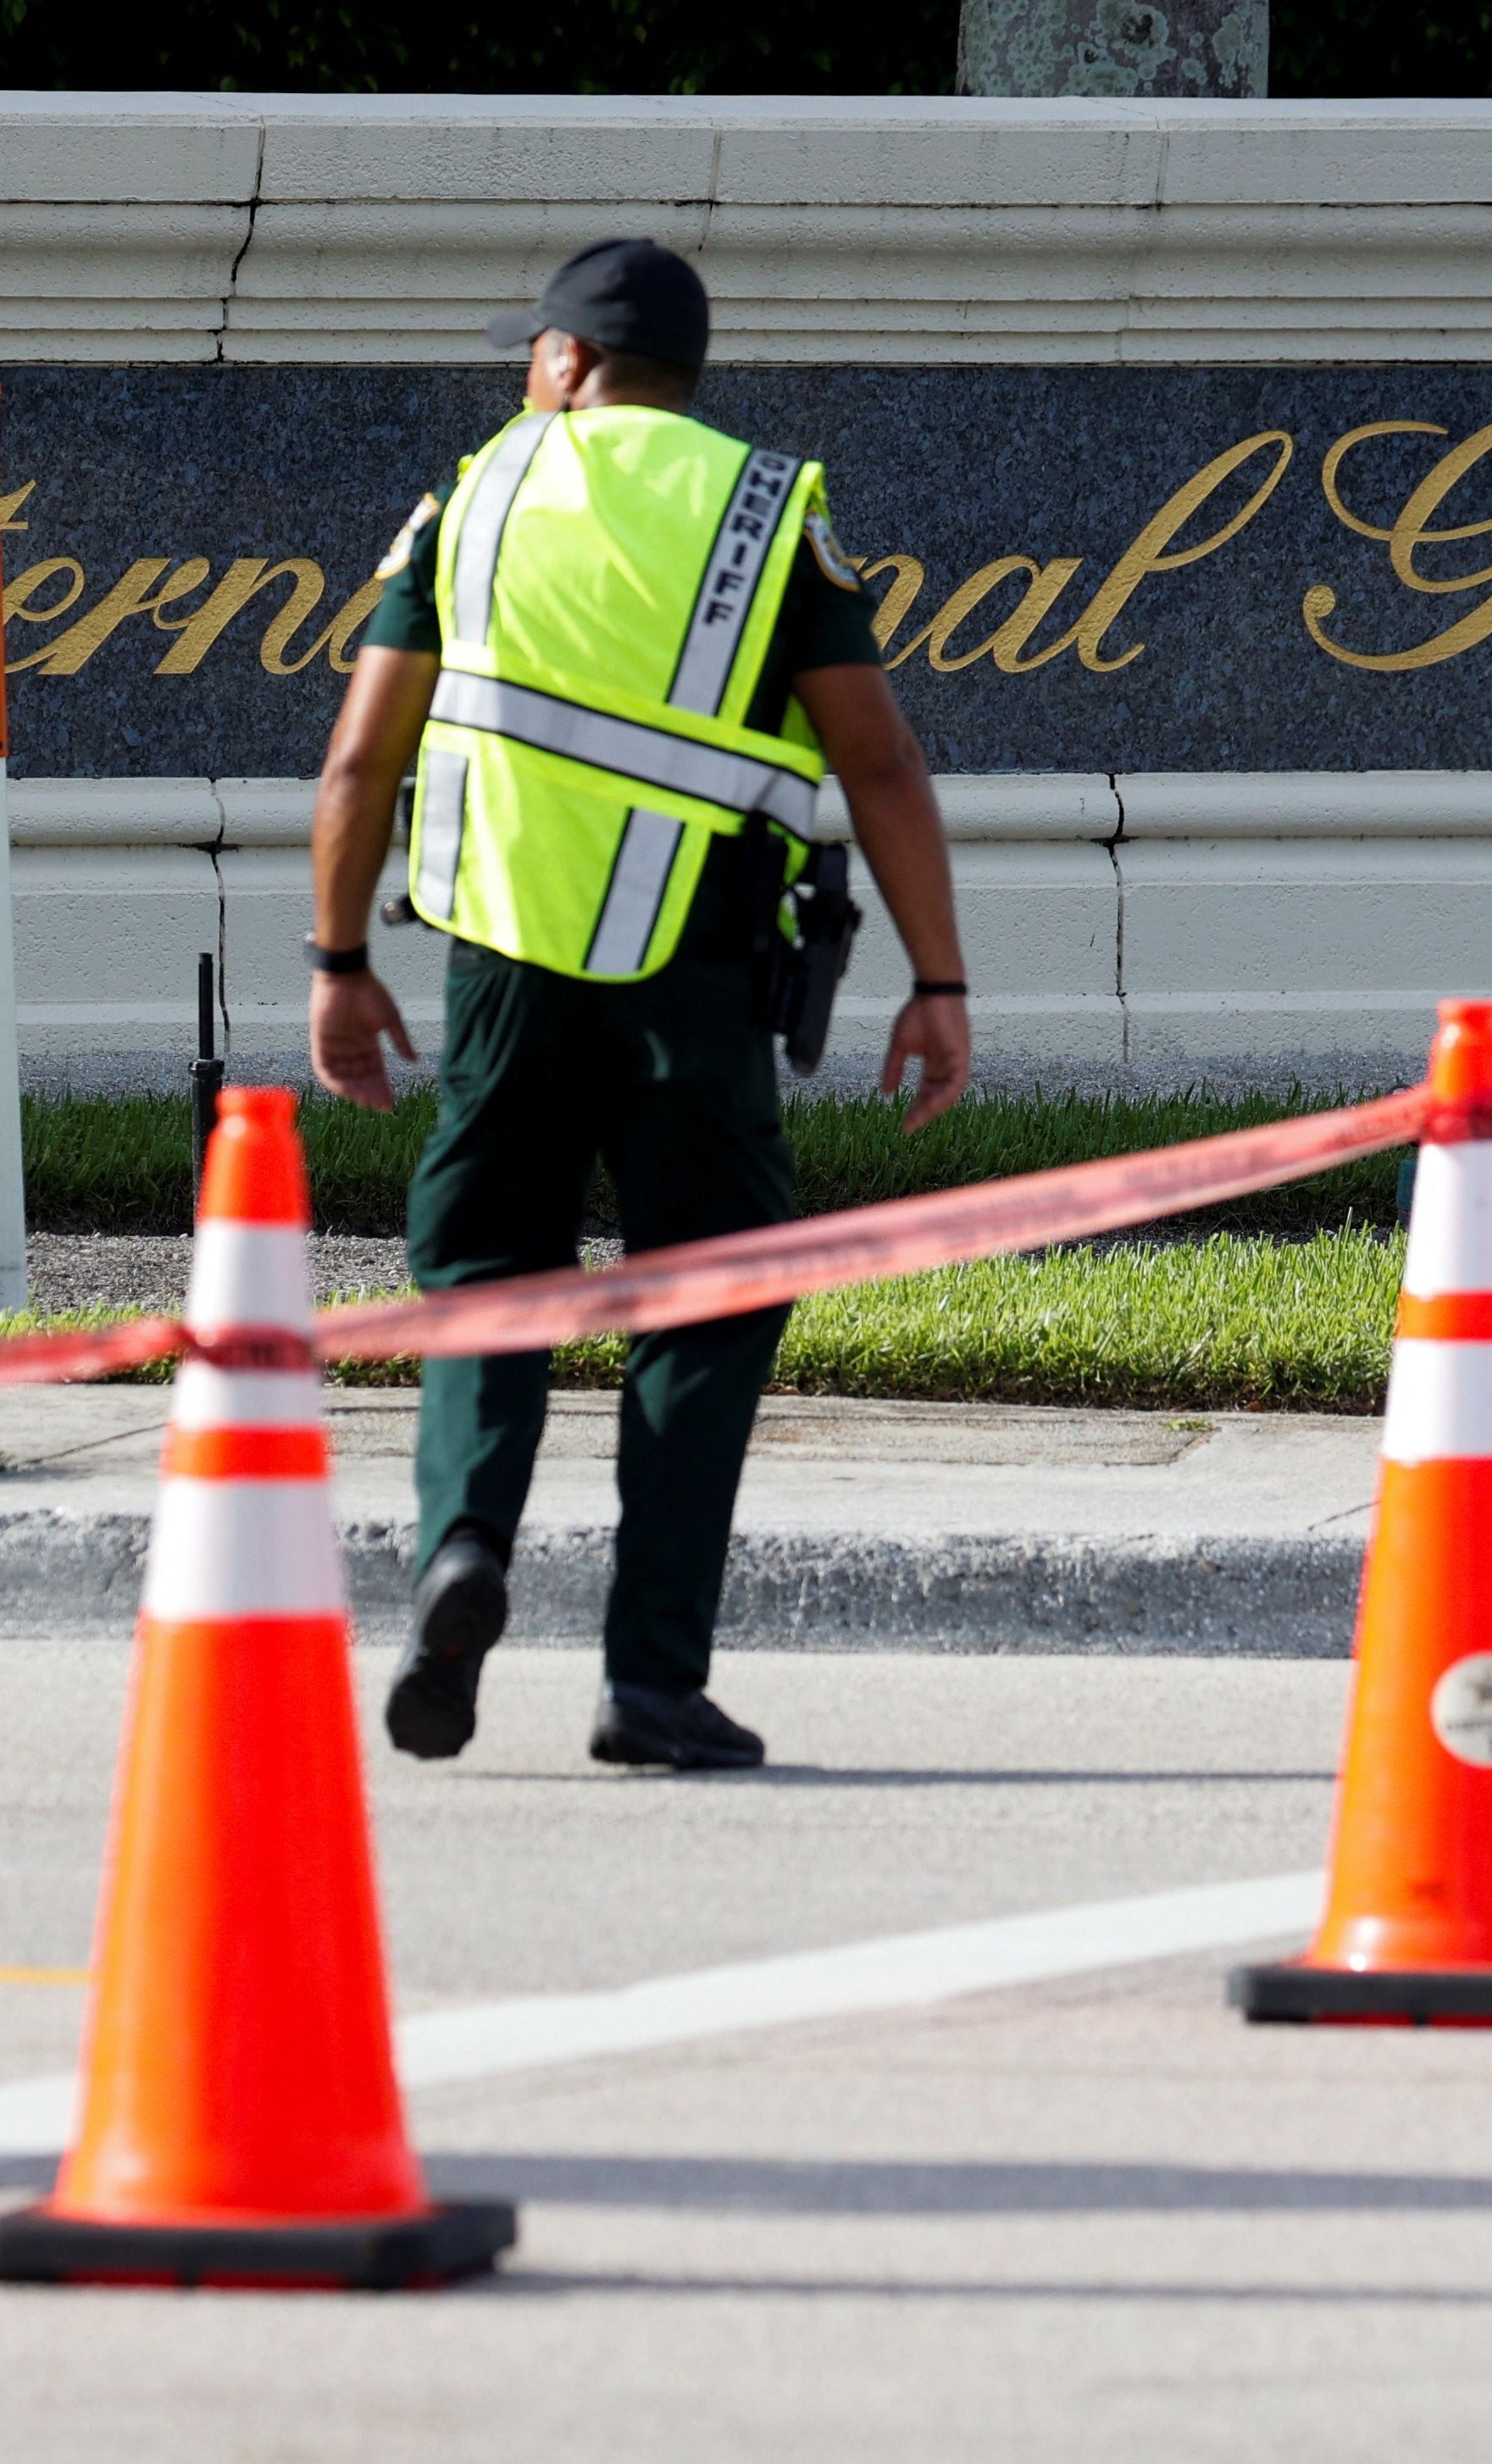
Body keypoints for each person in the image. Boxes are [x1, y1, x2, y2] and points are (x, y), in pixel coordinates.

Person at [302, 237, 975, 1775]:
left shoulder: (472, 502)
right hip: (702, 984)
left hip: (500, 974)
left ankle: (463, 1548)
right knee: (712, 1297)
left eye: (526, 352)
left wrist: (341, 963)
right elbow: (879, 763)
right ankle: (652, 1679)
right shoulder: (765, 513)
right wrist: (939, 982)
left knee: (486, 1271)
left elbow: (358, 761)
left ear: (566, 363)